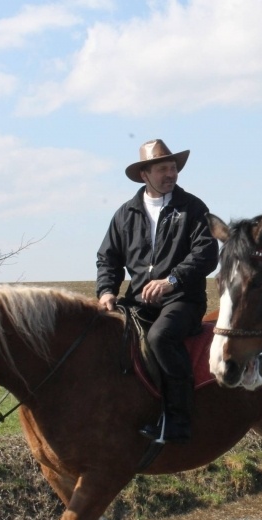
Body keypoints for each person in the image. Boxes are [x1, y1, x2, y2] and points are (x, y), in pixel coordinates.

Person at [97, 138, 219, 443]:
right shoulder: (125, 214)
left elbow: (207, 253)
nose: (171, 174)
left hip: (183, 300)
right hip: (137, 302)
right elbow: (108, 258)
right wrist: (106, 291)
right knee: (102, 336)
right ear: (144, 175)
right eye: (163, 169)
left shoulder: (193, 208)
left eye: (173, 167)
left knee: (160, 337)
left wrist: (171, 280)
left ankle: (178, 421)